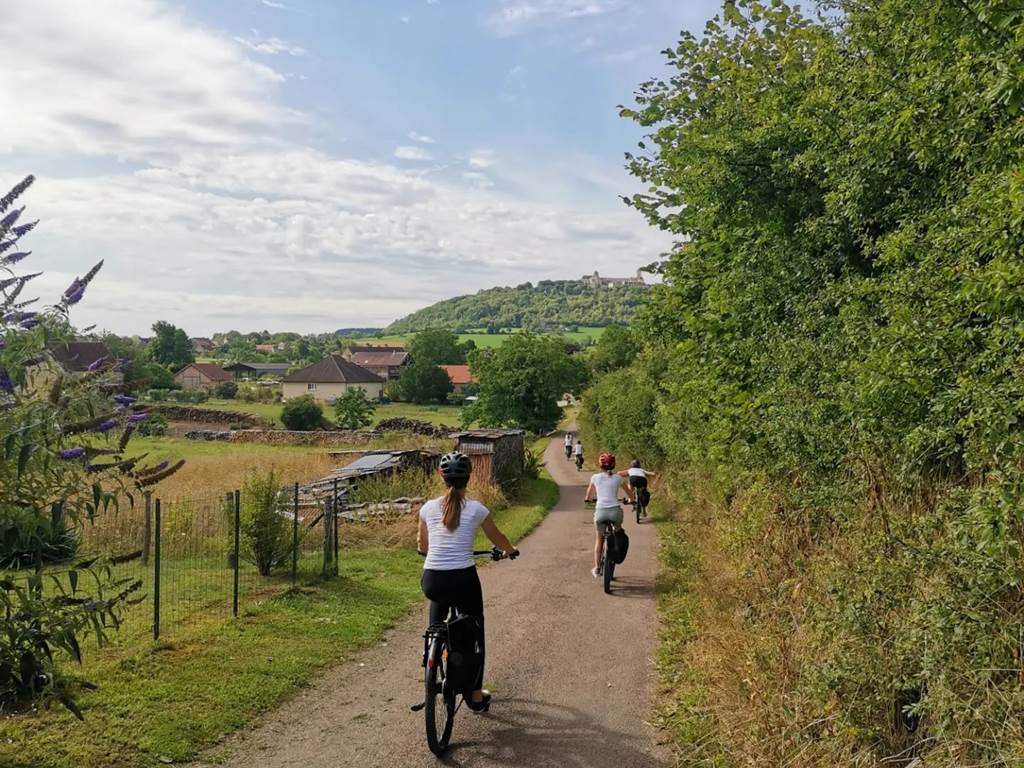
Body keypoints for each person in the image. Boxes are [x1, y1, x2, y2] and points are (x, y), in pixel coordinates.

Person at [417, 451, 519, 712]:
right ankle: (474, 694)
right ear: (469, 477)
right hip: (463, 580)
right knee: (475, 633)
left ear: (441, 475)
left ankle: (432, 662)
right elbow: (498, 538)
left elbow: (422, 545)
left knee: (436, 621)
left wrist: (431, 552)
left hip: (433, 579)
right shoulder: (476, 509)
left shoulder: (427, 508)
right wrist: (510, 550)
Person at [583, 452, 634, 578]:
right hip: (615, 512)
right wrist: (631, 500)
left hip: (600, 512)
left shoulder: (595, 477)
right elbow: (630, 494)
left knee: (599, 539)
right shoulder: (618, 478)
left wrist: (588, 499)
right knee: (618, 531)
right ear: (613, 464)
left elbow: (588, 494)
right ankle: (616, 540)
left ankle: (597, 568)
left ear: (600, 465)